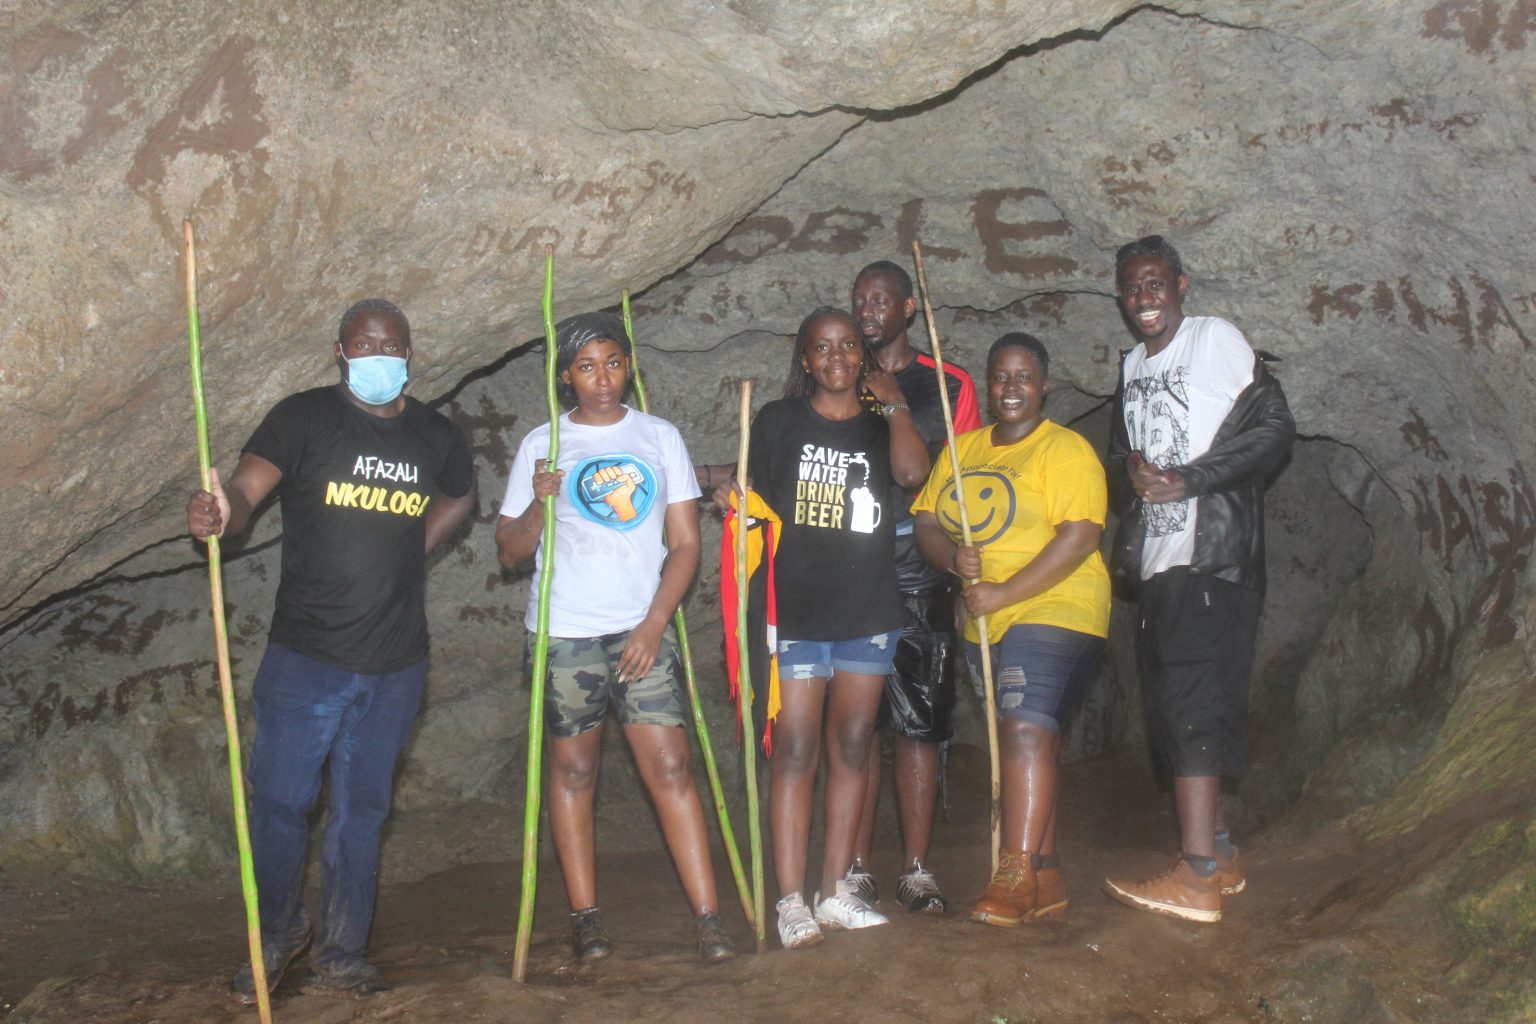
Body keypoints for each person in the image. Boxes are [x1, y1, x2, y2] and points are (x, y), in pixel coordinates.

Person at [186, 298, 476, 1000]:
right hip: (305, 658)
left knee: (361, 812)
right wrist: (221, 512)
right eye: (363, 344)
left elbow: (461, 496)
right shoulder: (303, 418)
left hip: (396, 664)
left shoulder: (436, 434)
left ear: (409, 353)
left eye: (391, 344)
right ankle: (278, 932)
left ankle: (343, 950)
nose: (378, 354)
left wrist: (415, 546)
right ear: (340, 352)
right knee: (280, 802)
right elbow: (246, 489)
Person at [495, 312, 736, 965]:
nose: (601, 379)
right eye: (585, 367)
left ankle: (710, 919)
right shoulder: (542, 444)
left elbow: (685, 544)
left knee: (670, 766)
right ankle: (586, 920)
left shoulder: (659, 437)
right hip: (564, 633)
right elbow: (510, 552)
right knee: (574, 771)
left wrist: (654, 624)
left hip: (641, 627)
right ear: (564, 377)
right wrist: (541, 501)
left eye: (612, 363)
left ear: (629, 366)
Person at [718, 305, 929, 949]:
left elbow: (913, 475)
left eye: (847, 346)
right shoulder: (778, 421)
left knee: (854, 744)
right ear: (805, 358)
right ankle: (790, 900)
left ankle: (835, 891)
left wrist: (895, 404)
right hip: (798, 611)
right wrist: (735, 498)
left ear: (862, 357)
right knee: (795, 747)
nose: (836, 357)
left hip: (867, 608)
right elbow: (754, 497)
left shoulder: (880, 425)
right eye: (822, 347)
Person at [1100, 235, 1295, 923]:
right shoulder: (1131, 364)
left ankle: (1196, 874)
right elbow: (1121, 454)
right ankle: (1220, 852)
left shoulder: (1214, 339)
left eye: (1156, 282)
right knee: (1176, 705)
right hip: (1160, 563)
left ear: (1180, 285)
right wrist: (1133, 470)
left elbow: (1276, 427)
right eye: (1132, 287)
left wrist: (1190, 479)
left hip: (1212, 557)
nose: (1144, 297)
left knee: (1192, 703)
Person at [912, 333, 1110, 926]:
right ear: (988, 384)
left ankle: (1015, 871)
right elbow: (926, 521)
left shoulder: (1065, 449)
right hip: (985, 619)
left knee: (1024, 730)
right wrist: (953, 561)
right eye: (1001, 377)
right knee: (1032, 738)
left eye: (1024, 377)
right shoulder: (962, 449)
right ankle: (1045, 875)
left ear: (1044, 386)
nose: (1011, 387)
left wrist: (1003, 591)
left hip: (1058, 606)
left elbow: (1081, 536)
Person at [847, 260, 980, 914]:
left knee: (919, 717)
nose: (867, 310)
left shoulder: (948, 383)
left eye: (880, 299)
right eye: (859, 299)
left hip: (919, 561)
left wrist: (959, 573)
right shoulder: (838, 372)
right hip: (851, 560)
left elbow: (971, 475)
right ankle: (854, 866)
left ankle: (918, 868)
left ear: (907, 308)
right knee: (856, 721)